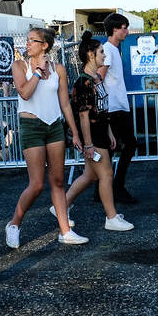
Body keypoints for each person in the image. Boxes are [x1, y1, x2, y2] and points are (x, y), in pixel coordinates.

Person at [6, 27, 88, 248]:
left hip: (54, 127)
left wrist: (75, 132)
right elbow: (25, 92)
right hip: (31, 125)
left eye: (33, 40)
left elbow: (64, 104)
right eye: (27, 40)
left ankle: (65, 231)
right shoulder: (19, 66)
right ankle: (14, 224)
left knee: (58, 181)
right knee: (37, 184)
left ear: (45, 45)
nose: (28, 43)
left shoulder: (58, 69)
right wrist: (36, 71)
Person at [63, 32, 135, 232]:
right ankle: (111, 217)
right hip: (93, 136)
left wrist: (110, 132)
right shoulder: (84, 82)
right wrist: (88, 144)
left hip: (102, 131)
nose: (104, 55)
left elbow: (103, 109)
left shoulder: (96, 78)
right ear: (90, 55)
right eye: (101, 52)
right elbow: (84, 116)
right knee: (106, 174)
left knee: (89, 175)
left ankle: (61, 206)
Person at [98, 13, 138, 204]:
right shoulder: (107, 49)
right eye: (124, 27)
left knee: (112, 149)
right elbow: (99, 77)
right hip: (114, 109)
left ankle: (102, 190)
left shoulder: (112, 49)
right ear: (115, 29)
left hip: (117, 106)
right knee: (129, 145)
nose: (126, 31)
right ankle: (117, 187)